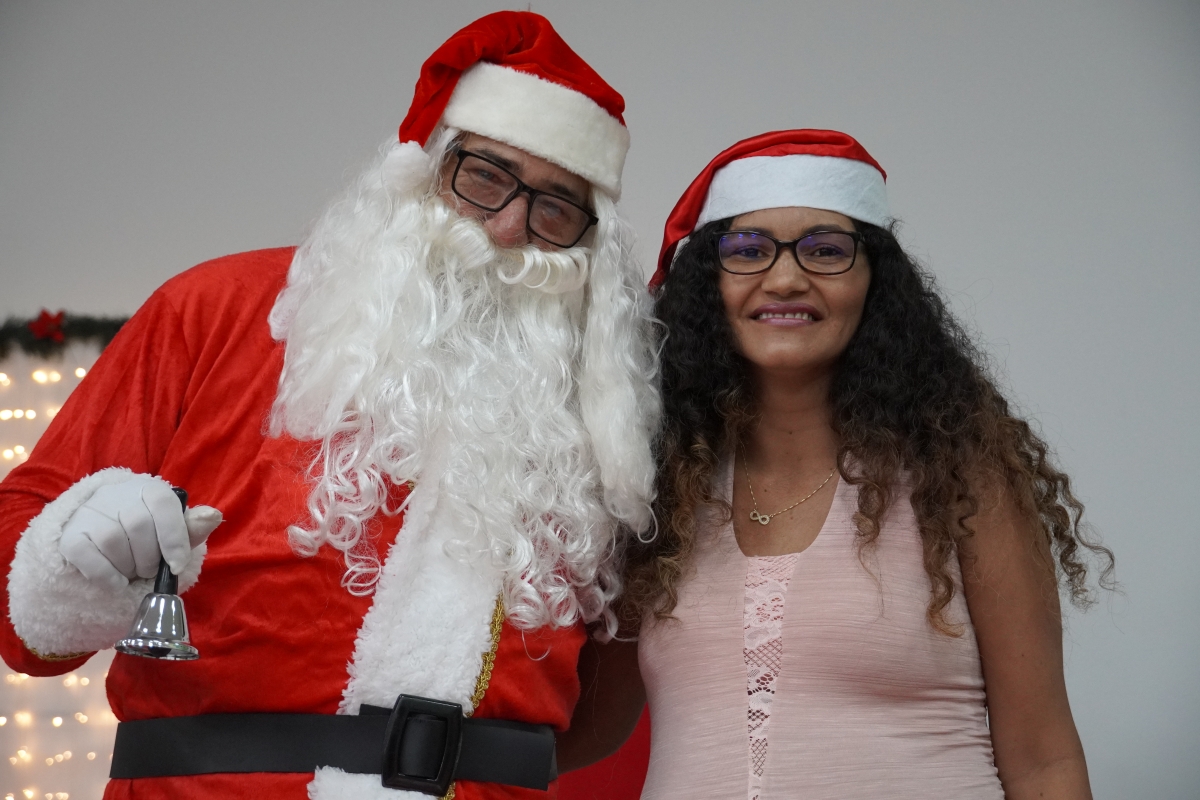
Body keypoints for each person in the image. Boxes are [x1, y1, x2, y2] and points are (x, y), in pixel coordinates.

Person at [0, 12, 659, 800]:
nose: (511, 227)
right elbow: (21, 604)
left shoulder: (608, 415)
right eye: (485, 176)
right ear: (421, 171)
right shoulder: (214, 311)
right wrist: (81, 552)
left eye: (557, 208)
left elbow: (605, 705)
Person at [557, 130, 1113, 799]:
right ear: (708, 284)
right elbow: (579, 730)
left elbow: (1044, 762)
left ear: (875, 281)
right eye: (748, 250)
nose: (785, 278)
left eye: (826, 250)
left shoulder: (957, 475)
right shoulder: (659, 492)